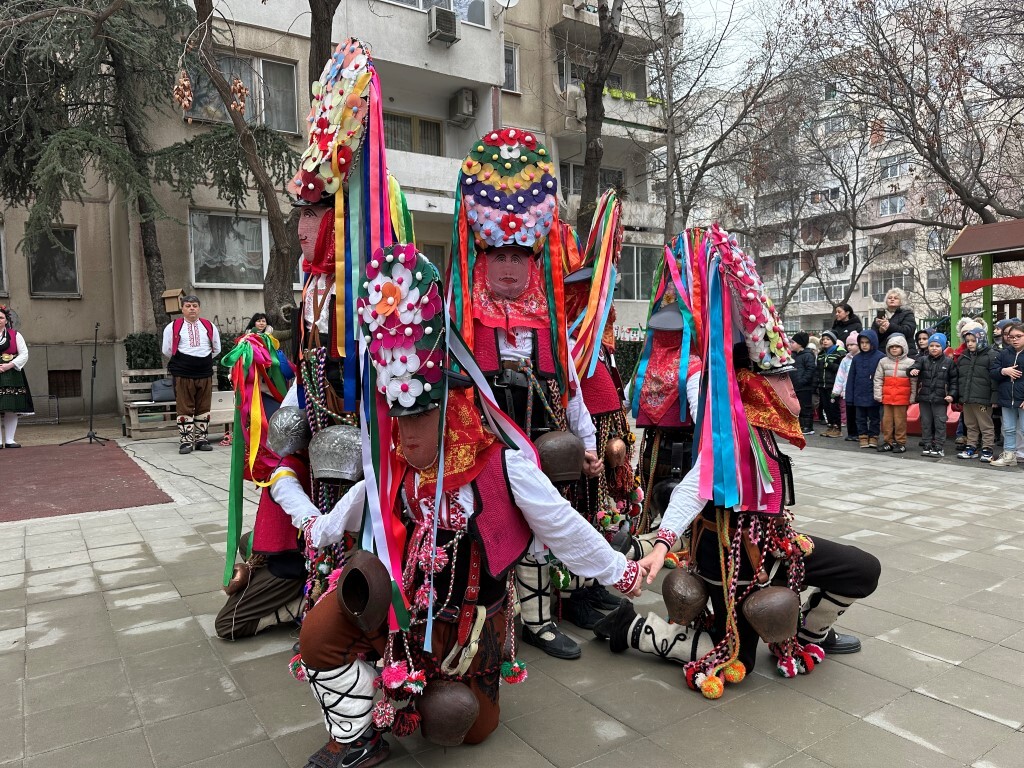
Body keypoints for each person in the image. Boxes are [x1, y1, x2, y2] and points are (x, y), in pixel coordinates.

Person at [294, 246, 644, 768]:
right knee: (319, 632)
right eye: (398, 417)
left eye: (419, 417)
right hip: (401, 614)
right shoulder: (398, 463)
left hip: (466, 631)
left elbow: (563, 523)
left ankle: (417, 692)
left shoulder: (503, 467)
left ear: (453, 403)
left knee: (456, 721)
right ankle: (360, 734)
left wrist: (622, 571)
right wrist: (316, 528)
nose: (405, 435)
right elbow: (359, 497)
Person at [593, 225, 878, 698]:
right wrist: (664, 544)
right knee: (736, 656)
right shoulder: (717, 400)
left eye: (788, 377)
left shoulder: (765, 409)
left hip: (775, 542)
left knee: (861, 569)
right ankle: (638, 630)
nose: (792, 389)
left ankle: (808, 632)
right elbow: (700, 477)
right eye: (780, 377)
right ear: (752, 375)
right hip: (727, 552)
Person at [448, 127, 604, 660]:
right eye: (499, 256)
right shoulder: (464, 322)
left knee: (546, 519)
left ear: (536, 262)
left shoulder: (548, 323)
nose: (509, 266)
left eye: (520, 257)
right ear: (481, 258)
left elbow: (572, 388)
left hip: (542, 443)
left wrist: (587, 443)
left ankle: (539, 618)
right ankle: (491, 615)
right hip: (489, 447)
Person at [161, 295, 222, 454]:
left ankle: (202, 439)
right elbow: (167, 350)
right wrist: (186, 361)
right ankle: (186, 442)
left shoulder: (209, 326)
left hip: (204, 372)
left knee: (204, 406)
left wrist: (201, 360)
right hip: (182, 373)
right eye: (188, 306)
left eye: (195, 305)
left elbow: (216, 348)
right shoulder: (172, 327)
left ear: (199, 308)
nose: (192, 308)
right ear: (182, 308)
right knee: (184, 406)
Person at [909, 333, 957, 457]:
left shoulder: (949, 362)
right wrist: (912, 371)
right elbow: (912, 368)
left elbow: (954, 381)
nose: (934, 348)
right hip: (924, 397)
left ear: (943, 347)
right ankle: (927, 444)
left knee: (940, 422)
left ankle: (939, 445)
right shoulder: (922, 360)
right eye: (931, 345)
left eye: (937, 346)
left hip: (940, 398)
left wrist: (951, 395)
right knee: (926, 422)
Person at [952, 328, 996, 462]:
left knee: (985, 425)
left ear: (981, 339)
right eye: (967, 341)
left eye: (973, 341)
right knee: (970, 424)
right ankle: (971, 447)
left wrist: (994, 398)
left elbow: (994, 379)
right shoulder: (964, 356)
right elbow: (959, 378)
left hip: (983, 399)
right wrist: (959, 396)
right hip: (967, 398)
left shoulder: (991, 355)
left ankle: (987, 448)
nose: (970, 344)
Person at [872, 334, 917, 453]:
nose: (894, 349)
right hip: (887, 398)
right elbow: (878, 379)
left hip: (902, 399)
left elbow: (914, 382)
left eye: (897, 346)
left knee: (900, 422)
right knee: (886, 421)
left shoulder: (911, 363)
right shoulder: (883, 362)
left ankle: (900, 442)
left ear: (904, 348)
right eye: (891, 347)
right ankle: (888, 442)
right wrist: (878, 394)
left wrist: (913, 397)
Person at [990, 321, 1024, 467]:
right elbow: (993, 371)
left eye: (1019, 336)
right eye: (1012, 337)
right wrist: (1004, 371)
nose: (1014, 339)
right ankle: (1009, 455)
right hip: (1006, 397)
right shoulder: (1004, 353)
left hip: (1022, 399)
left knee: (1023, 429)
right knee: (1008, 428)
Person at [0, 305, 32, 448]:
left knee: (11, 407)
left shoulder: (15, 335)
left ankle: (10, 440)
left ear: (6, 320)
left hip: (12, 373)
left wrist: (9, 365)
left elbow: (24, 354)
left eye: (0, 317)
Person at [847, 329, 884, 448]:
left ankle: (873, 436)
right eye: (862, 342)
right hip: (859, 393)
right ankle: (862, 436)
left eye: (867, 342)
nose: (864, 345)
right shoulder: (856, 358)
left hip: (874, 393)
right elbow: (851, 378)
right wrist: (850, 396)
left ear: (873, 342)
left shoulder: (880, 357)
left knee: (874, 417)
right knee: (860, 418)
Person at [831, 330, 861, 442]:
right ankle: (852, 433)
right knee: (850, 413)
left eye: (852, 344)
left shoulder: (861, 358)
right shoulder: (845, 359)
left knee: (859, 414)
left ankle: (860, 433)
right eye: (848, 345)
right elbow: (840, 376)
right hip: (847, 391)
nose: (849, 347)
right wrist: (836, 391)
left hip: (858, 391)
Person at [815, 331, 845, 437]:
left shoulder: (840, 353)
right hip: (822, 385)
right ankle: (830, 426)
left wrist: (829, 365)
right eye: (823, 339)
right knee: (826, 407)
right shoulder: (821, 354)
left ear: (833, 340)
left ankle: (837, 428)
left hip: (833, 385)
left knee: (834, 407)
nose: (825, 341)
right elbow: (817, 370)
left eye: (828, 339)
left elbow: (842, 369)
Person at [788, 331, 816, 434]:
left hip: (805, 387)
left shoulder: (808, 355)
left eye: (793, 342)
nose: (791, 344)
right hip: (795, 386)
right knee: (797, 406)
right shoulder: (793, 355)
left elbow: (810, 370)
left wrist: (803, 381)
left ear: (800, 344)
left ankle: (808, 427)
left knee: (805, 407)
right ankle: (800, 425)